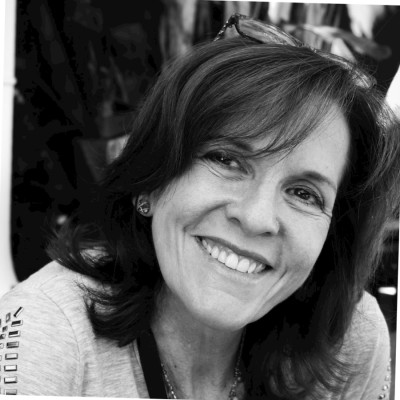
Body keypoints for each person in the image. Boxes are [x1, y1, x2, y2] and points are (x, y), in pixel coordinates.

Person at [0, 14, 399, 400]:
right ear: (150, 181)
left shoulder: (350, 339)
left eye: (304, 194)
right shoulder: (50, 331)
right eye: (226, 160)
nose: (257, 218)